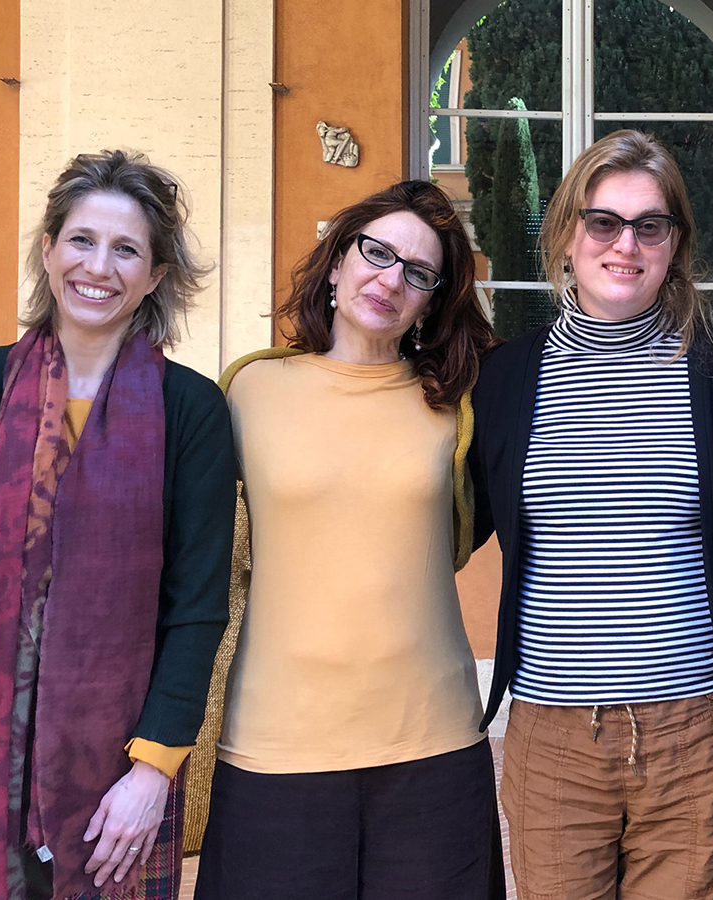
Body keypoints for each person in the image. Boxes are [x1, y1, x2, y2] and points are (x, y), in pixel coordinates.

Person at [0, 150, 235, 899]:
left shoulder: (193, 413)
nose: (98, 267)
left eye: (126, 249)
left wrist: (152, 775)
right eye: (81, 240)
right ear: (48, 250)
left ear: (156, 276)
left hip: (120, 778)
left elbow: (196, 613)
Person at [468, 129, 713, 900]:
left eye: (649, 225)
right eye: (603, 222)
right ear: (567, 235)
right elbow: (456, 522)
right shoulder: (505, 378)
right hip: (553, 733)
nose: (624, 244)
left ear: (676, 244)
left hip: (696, 729)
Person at [191, 180, 503, 900]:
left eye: (419, 273)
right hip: (275, 743)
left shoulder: (456, 405)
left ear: (432, 300)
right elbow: (203, 546)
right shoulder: (247, 389)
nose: (391, 280)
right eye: (377, 253)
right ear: (336, 263)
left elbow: (479, 524)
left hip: (432, 743)